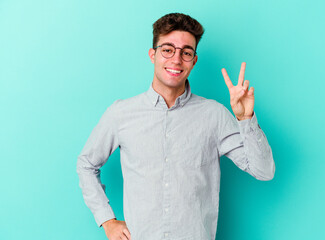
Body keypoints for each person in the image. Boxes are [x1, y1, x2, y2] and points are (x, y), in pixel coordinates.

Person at [77, 13, 275, 240]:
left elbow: (264, 171)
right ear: (153, 55)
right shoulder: (121, 113)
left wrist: (245, 118)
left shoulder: (214, 115)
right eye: (168, 49)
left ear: (194, 60)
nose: (176, 60)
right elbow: (86, 164)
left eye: (186, 53)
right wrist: (107, 220)